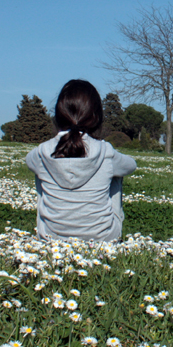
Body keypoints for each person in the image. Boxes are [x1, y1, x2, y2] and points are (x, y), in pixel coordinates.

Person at [25, 79, 137, 242]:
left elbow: (29, 161)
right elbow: (131, 166)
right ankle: (103, 232)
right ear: (97, 117)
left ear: (58, 115)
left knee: (41, 168)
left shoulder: (42, 151)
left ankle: (51, 228)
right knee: (115, 172)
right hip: (103, 237)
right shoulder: (105, 151)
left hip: (51, 237)